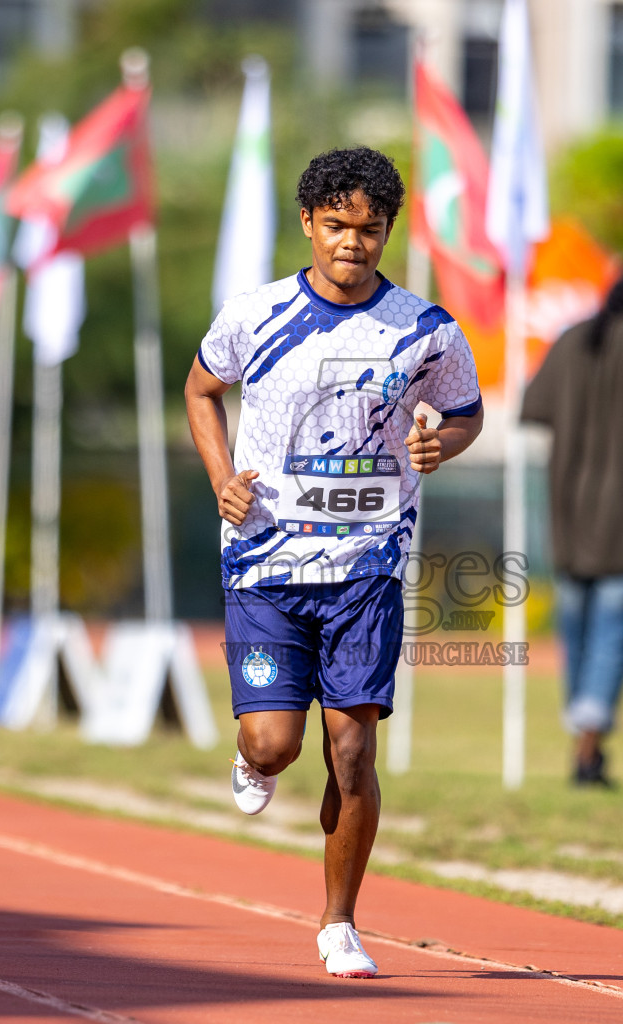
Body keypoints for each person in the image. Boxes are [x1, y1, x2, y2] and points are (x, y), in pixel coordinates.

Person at [184, 147, 484, 978]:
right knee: (278, 744)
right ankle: (254, 757)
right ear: (310, 224)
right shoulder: (256, 314)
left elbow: (466, 412)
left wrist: (437, 442)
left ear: (387, 231)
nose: (353, 242)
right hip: (265, 564)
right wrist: (221, 480)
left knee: (352, 754)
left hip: (368, 564)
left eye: (371, 228)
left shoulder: (426, 329)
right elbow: (201, 390)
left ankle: (339, 924)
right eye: (338, 226)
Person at [520, 258, 623, 786]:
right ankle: (589, 746)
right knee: (615, 629)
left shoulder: (571, 339)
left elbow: (533, 408)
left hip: (569, 508)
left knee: (577, 630)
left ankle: (582, 742)